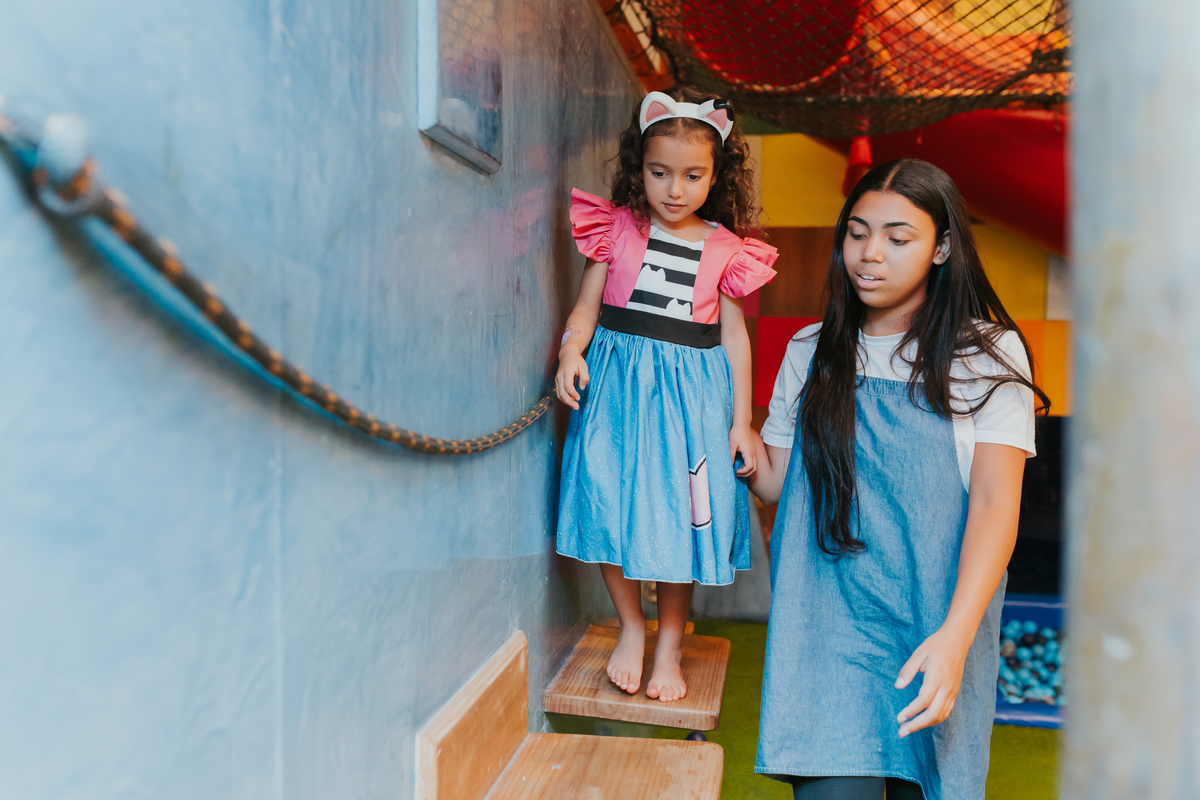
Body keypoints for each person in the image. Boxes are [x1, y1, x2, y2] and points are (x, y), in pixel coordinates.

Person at [750, 159, 1048, 799]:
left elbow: (997, 504)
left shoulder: (985, 354)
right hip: (828, 631)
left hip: (935, 628)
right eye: (857, 233)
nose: (869, 254)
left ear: (941, 247)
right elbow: (775, 483)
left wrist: (956, 637)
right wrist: (721, 429)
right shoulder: (810, 349)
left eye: (897, 237)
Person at [555, 87, 778, 702]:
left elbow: (735, 339)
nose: (674, 189)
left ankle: (671, 644)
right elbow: (585, 309)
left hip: (693, 403)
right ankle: (633, 626)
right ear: (640, 169)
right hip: (616, 393)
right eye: (659, 173)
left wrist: (740, 422)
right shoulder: (616, 229)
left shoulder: (728, 250)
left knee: (685, 520)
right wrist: (572, 349)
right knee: (604, 498)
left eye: (691, 175)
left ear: (715, 176)